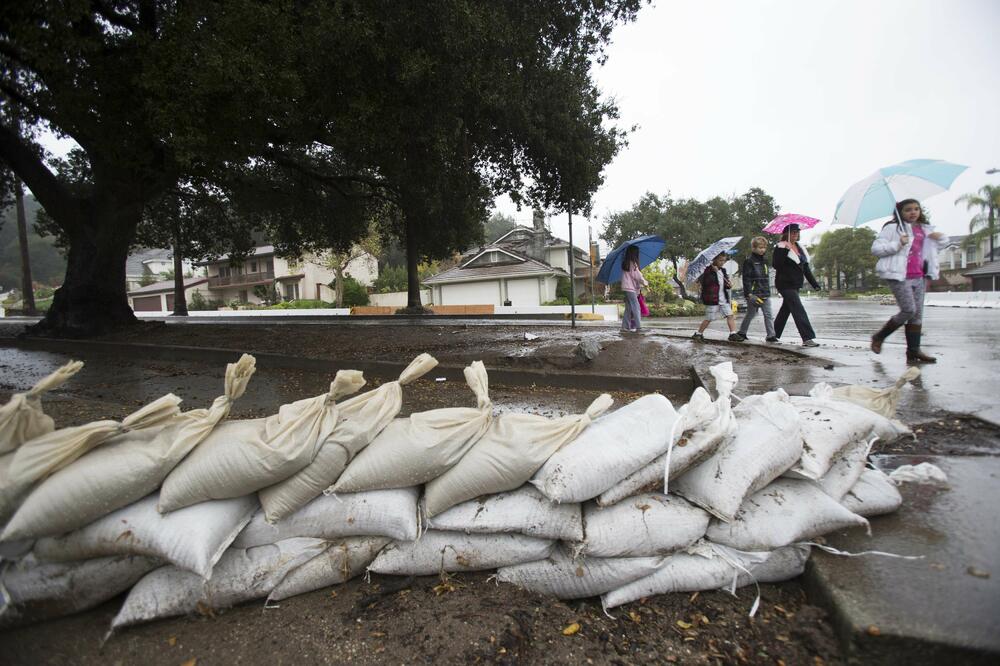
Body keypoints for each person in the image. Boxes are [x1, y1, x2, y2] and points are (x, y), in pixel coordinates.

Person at [869, 199, 945, 363]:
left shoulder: (924, 229)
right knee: (909, 310)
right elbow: (876, 249)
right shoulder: (892, 228)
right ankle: (879, 336)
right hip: (898, 275)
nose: (913, 212)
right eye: (908, 209)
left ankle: (913, 351)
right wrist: (898, 244)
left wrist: (941, 238)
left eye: (916, 209)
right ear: (900, 212)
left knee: (917, 315)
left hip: (919, 276)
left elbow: (932, 251)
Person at [772, 224, 821, 347]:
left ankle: (772, 335)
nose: (795, 234)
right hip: (784, 284)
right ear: (786, 234)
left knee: (785, 310)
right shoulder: (781, 247)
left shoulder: (799, 248)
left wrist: (815, 284)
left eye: (797, 232)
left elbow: (806, 269)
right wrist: (785, 250)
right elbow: (776, 265)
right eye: (793, 232)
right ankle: (807, 338)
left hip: (796, 284)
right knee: (798, 309)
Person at [733, 236, 779, 343]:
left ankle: (771, 335)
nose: (762, 250)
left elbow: (766, 277)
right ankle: (742, 332)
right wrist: (748, 293)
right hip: (754, 295)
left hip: (765, 293)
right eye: (760, 248)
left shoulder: (765, 261)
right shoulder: (749, 261)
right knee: (751, 314)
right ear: (754, 248)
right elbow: (747, 278)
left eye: (764, 247)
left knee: (768, 315)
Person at [692, 252, 740, 341]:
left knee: (730, 315)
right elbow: (706, 283)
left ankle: (732, 333)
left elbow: (724, 284)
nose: (722, 262)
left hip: (723, 299)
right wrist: (714, 272)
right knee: (709, 318)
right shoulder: (706, 270)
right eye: (720, 260)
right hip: (712, 299)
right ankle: (698, 333)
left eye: (724, 261)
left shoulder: (723, 270)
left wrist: (728, 285)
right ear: (714, 259)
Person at [620, 245, 648, 333]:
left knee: (628, 308)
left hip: (626, 288)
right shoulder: (633, 264)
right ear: (634, 254)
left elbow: (633, 276)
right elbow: (637, 276)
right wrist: (645, 282)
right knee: (636, 307)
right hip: (630, 289)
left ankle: (625, 327)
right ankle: (639, 327)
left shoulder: (626, 263)